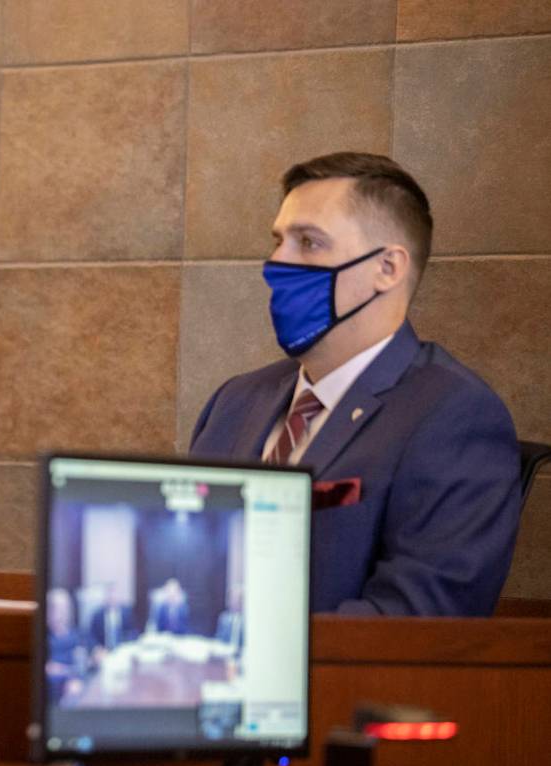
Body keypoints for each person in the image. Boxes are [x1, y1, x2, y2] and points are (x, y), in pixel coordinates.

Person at [189, 152, 520, 616]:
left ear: (387, 268)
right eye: (278, 241)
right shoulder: (235, 400)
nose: (276, 262)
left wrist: (244, 659)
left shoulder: (454, 415)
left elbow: (418, 618)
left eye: (308, 242)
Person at [88, 583, 136, 653]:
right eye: (109, 595)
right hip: (104, 652)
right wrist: (96, 648)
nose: (112, 597)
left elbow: (134, 632)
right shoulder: (97, 615)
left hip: (123, 651)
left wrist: (126, 644)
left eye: (115, 595)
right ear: (105, 597)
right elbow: (91, 636)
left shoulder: (127, 613)